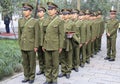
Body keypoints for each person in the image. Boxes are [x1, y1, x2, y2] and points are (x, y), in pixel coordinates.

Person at [42, 2, 64, 84]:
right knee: (47, 63)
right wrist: (43, 44)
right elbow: (43, 33)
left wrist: (60, 46)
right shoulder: (45, 20)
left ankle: (54, 79)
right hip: (47, 45)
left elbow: (61, 35)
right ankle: (48, 79)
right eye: (49, 9)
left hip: (55, 45)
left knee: (55, 63)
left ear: (55, 10)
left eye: (51, 9)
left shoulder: (59, 21)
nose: (50, 11)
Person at [18, 2, 39, 84]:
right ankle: (26, 76)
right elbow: (20, 33)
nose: (24, 11)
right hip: (23, 45)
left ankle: (31, 77)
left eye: (26, 10)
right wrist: (19, 43)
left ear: (30, 11)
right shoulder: (20, 20)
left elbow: (37, 35)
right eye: (23, 10)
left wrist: (36, 45)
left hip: (31, 45)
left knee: (32, 63)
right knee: (25, 62)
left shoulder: (35, 21)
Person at [36, 6, 46, 76]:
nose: (39, 13)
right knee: (40, 56)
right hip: (38, 42)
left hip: (45, 42)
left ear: (44, 13)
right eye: (38, 12)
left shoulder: (47, 21)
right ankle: (41, 69)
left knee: (46, 57)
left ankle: (46, 70)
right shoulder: (36, 21)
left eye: (40, 12)